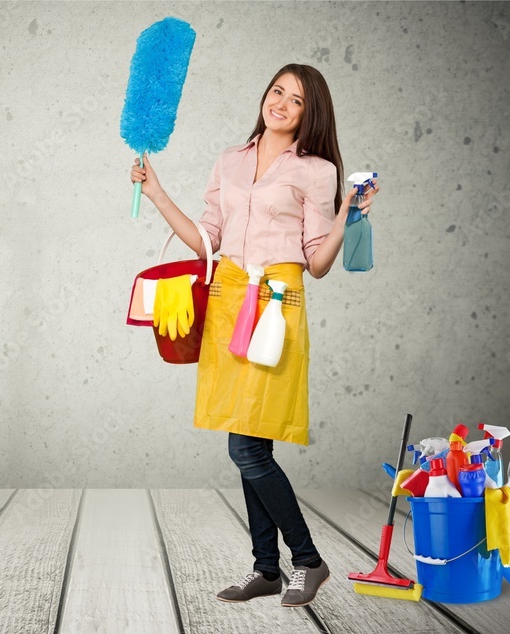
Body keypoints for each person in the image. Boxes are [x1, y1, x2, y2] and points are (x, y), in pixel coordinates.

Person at [129, 63, 379, 607]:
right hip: (227, 299)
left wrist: (345, 218)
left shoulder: (316, 171)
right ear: (264, 96)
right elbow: (206, 239)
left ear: (310, 115)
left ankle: (308, 561)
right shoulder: (230, 160)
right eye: (276, 92)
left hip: (275, 305)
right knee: (244, 441)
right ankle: (267, 570)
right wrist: (155, 192)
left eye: (297, 101)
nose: (282, 104)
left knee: (247, 448)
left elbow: (317, 264)